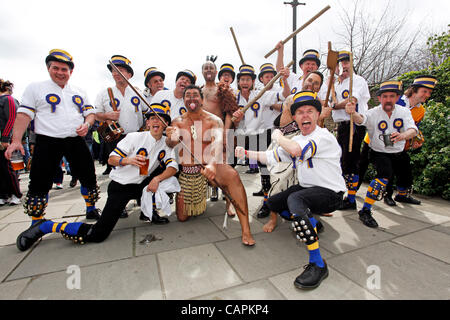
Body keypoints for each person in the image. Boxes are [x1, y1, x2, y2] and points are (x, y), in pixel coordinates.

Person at [15, 105, 177, 251]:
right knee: (98, 234)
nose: (156, 121)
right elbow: (111, 159)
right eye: (153, 118)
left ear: (166, 125)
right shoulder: (134, 137)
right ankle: (46, 226)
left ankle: (149, 211)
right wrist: (128, 160)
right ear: (147, 123)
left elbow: (172, 166)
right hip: (121, 186)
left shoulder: (165, 143)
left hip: (141, 184)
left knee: (169, 182)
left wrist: (157, 179)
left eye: (161, 119)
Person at [235, 90, 346, 289]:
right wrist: (246, 153)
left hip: (331, 194)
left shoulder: (323, 137)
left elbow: (295, 151)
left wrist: (277, 135)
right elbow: (272, 157)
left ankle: (318, 264)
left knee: (296, 200)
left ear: (317, 115)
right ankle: (312, 223)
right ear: (294, 118)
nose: (305, 115)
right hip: (307, 189)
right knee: (273, 203)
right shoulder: (299, 139)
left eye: (310, 111)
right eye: (300, 112)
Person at [5, 49, 101, 234]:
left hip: (74, 139)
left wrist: (87, 125)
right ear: (49, 68)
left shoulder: (79, 91)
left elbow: (90, 114)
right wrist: (16, 140)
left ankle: (91, 208)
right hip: (47, 140)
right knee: (39, 180)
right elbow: (24, 114)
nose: (60, 72)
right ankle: (37, 220)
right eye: (55, 68)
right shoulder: (35, 88)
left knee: (88, 174)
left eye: (64, 69)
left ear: (70, 72)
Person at [166, 85, 255, 246]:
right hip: (188, 172)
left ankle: (246, 230)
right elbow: (171, 144)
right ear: (184, 99)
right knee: (182, 218)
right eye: (188, 95)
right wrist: (170, 138)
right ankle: (197, 198)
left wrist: (213, 164)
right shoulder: (177, 121)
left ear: (201, 99)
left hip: (211, 165)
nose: (192, 98)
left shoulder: (214, 120)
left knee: (233, 176)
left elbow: (218, 142)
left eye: (195, 95)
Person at [345, 80, 418, 228]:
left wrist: (403, 136)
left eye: (392, 96)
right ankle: (365, 210)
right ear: (379, 98)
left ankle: (402, 195)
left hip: (398, 152)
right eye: (385, 96)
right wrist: (353, 112)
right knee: (383, 177)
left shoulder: (404, 112)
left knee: (406, 175)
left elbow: (413, 130)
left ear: (397, 98)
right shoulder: (373, 113)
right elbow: (361, 119)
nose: (388, 99)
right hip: (378, 152)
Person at [360, 75, 438, 206]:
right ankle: (354, 196)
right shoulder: (397, 101)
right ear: (414, 90)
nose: (427, 95)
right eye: (424, 91)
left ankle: (401, 195)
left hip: (398, 143)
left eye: (429, 92)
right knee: (364, 168)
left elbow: (414, 128)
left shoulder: (421, 110)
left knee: (403, 168)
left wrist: (415, 139)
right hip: (375, 141)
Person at [232, 64, 290, 218]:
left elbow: (285, 95)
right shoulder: (233, 97)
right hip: (244, 137)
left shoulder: (262, 94)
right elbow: (233, 123)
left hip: (262, 136)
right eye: (242, 79)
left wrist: (285, 79)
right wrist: (236, 120)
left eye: (248, 79)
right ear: (238, 82)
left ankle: (267, 203)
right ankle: (232, 201)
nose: (245, 82)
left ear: (253, 81)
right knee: (243, 168)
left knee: (265, 170)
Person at [95, 55, 148, 181]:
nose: (116, 73)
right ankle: (120, 192)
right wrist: (106, 115)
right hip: (116, 138)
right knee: (119, 169)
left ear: (129, 74)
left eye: (120, 70)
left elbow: (147, 112)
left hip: (137, 136)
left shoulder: (138, 92)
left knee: (142, 168)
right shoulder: (104, 93)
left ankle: (142, 195)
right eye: (114, 70)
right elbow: (96, 115)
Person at [330, 51, 370, 211]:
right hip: (342, 125)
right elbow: (331, 100)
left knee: (350, 160)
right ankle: (342, 193)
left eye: (347, 62)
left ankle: (351, 198)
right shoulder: (337, 83)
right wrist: (331, 86)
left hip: (355, 123)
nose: (344, 65)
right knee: (341, 159)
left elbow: (351, 101)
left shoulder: (358, 81)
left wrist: (335, 105)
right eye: (341, 63)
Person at [201, 57, 239, 210]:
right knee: (207, 167)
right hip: (204, 134)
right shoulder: (197, 90)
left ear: (216, 72)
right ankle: (210, 194)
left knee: (226, 167)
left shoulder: (222, 89)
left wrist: (225, 133)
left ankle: (229, 204)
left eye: (211, 68)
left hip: (221, 131)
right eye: (206, 68)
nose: (209, 70)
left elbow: (229, 112)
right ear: (202, 72)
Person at [0, 79, 21, 205]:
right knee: (1, 169)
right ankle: (4, 194)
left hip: (7, 140)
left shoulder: (8, 100)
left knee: (9, 168)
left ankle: (16, 194)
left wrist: (6, 139)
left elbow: (12, 119)